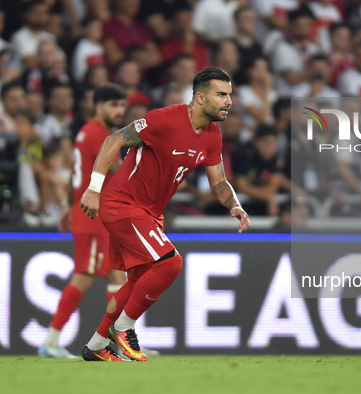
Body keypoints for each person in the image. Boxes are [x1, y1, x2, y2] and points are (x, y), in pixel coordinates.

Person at [79, 68, 250, 361]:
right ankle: (124, 328)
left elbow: (218, 181)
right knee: (169, 264)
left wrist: (234, 204)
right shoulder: (164, 119)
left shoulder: (211, 135)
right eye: (221, 94)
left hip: (147, 213)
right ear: (199, 97)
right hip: (123, 205)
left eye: (229, 95)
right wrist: (94, 189)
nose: (228, 101)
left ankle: (96, 345)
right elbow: (113, 141)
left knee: (138, 280)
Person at [38, 84, 128, 358]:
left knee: (117, 275)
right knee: (83, 278)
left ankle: (121, 342)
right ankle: (51, 340)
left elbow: (81, 174)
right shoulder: (100, 135)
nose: (119, 111)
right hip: (93, 217)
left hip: (94, 214)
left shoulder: (86, 132)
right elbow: (119, 171)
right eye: (113, 105)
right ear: (97, 106)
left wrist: (68, 205)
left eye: (122, 105)